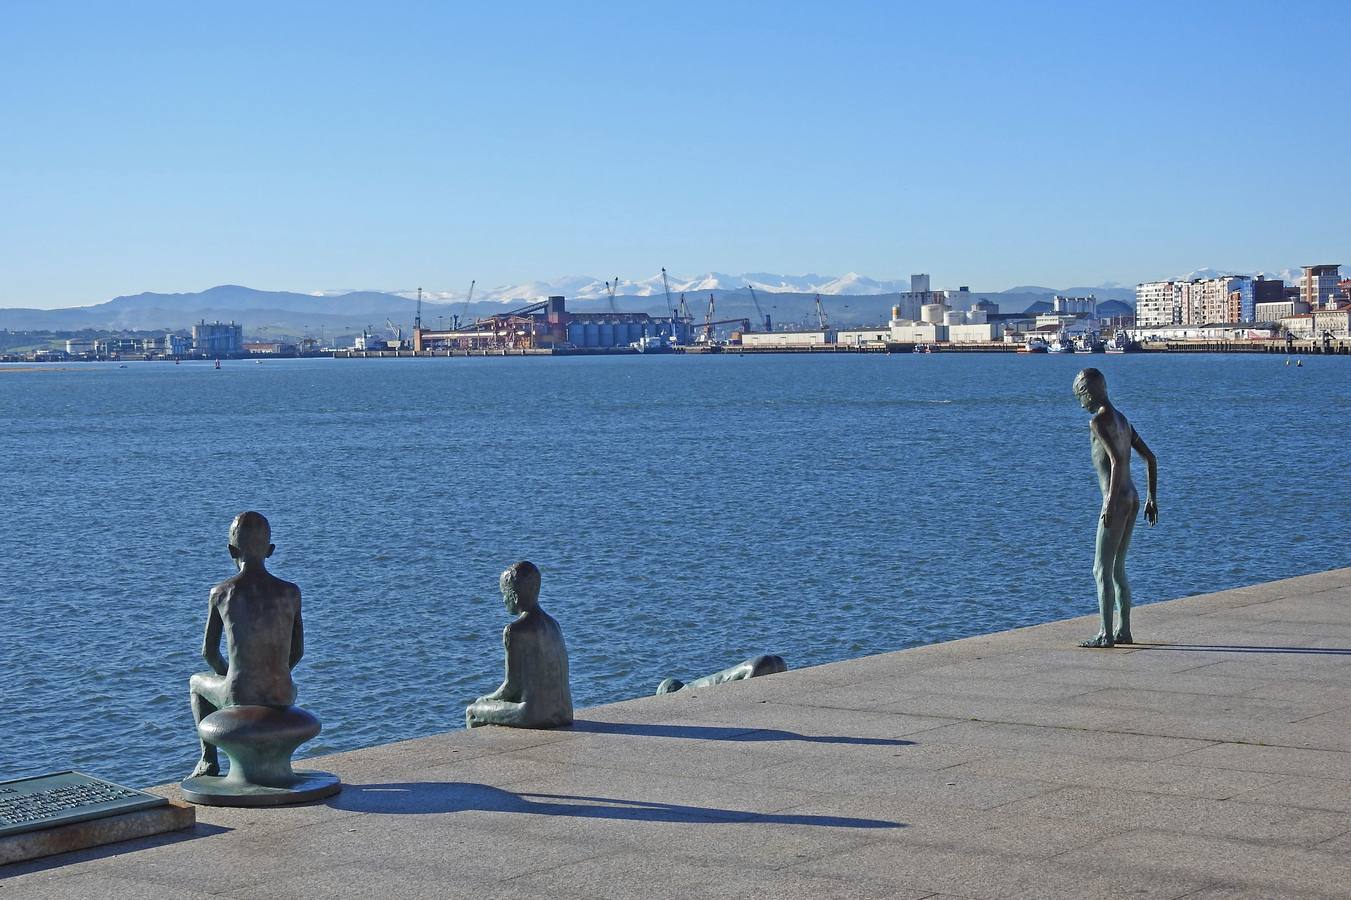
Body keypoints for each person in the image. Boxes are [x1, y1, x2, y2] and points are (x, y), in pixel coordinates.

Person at [189, 511, 303, 776]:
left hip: (240, 693)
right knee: (279, 675)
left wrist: (231, 676)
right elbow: (298, 651)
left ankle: (208, 759)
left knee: (196, 682)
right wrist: (273, 675)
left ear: (231, 550)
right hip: (282, 691)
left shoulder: (221, 593)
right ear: (271, 550)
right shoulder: (290, 592)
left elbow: (209, 653)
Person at [1073, 368, 1158, 648]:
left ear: (1089, 392)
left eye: (1079, 398)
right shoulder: (1124, 420)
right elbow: (1151, 458)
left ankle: (1105, 634)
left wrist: (1108, 504)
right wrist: (1151, 498)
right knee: (1118, 567)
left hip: (1117, 500)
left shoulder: (1098, 422)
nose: (1080, 405)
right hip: (1132, 498)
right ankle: (1124, 630)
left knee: (1100, 569)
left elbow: (1116, 462)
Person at [466, 561, 573, 729]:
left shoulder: (514, 631)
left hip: (533, 714)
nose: (503, 599)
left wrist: (486, 699)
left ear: (514, 597)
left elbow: (511, 686)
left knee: (473, 711)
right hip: (565, 712)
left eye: (504, 594)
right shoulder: (554, 625)